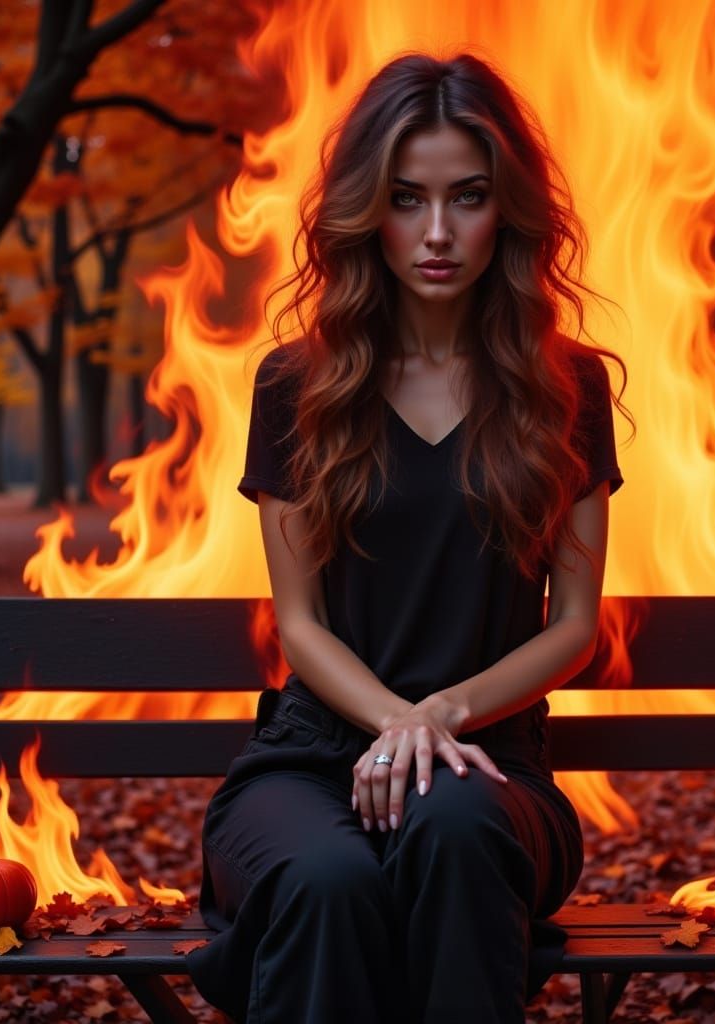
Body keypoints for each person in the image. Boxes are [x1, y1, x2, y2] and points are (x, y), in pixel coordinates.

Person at [186, 50, 627, 1024]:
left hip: (493, 768)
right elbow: (299, 624)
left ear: (505, 208)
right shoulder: (295, 385)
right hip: (311, 761)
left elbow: (574, 624)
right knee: (330, 883)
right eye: (405, 198)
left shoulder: (569, 387)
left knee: (456, 824)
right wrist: (396, 720)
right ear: (364, 210)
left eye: (466, 197)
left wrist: (442, 720)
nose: (437, 232)